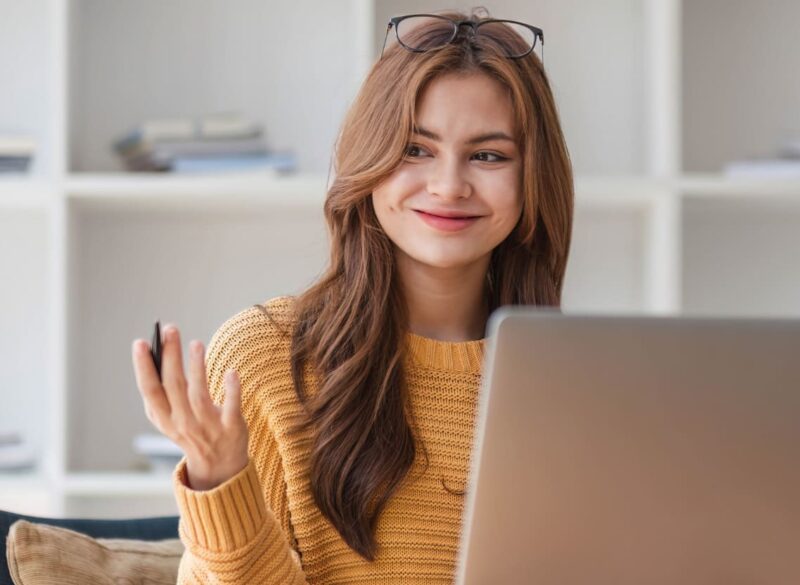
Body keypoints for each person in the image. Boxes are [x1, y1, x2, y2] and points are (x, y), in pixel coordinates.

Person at [130, 6, 573, 584]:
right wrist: (219, 480)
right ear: (372, 162)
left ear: (532, 179)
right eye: (416, 149)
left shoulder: (571, 381)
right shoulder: (266, 357)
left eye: (488, 155)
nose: (448, 185)